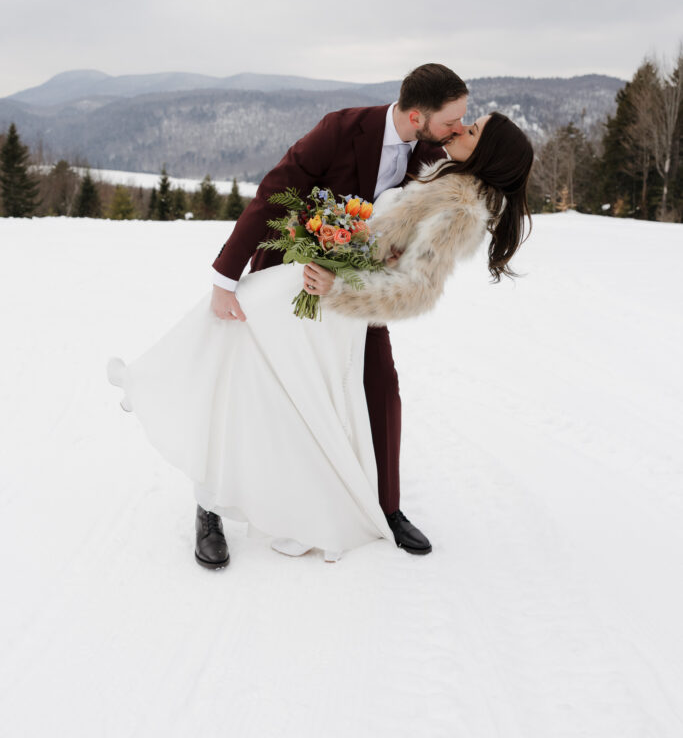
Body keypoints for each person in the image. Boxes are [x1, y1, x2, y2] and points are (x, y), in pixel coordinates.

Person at [108, 101, 534, 567]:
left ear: (485, 153)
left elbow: (415, 291)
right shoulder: (437, 169)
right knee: (237, 347)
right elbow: (295, 194)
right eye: (459, 120)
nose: (459, 129)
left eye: (470, 129)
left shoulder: (460, 208)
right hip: (307, 282)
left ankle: (376, 507)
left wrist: (339, 285)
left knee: (286, 381)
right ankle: (202, 486)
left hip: (335, 304)